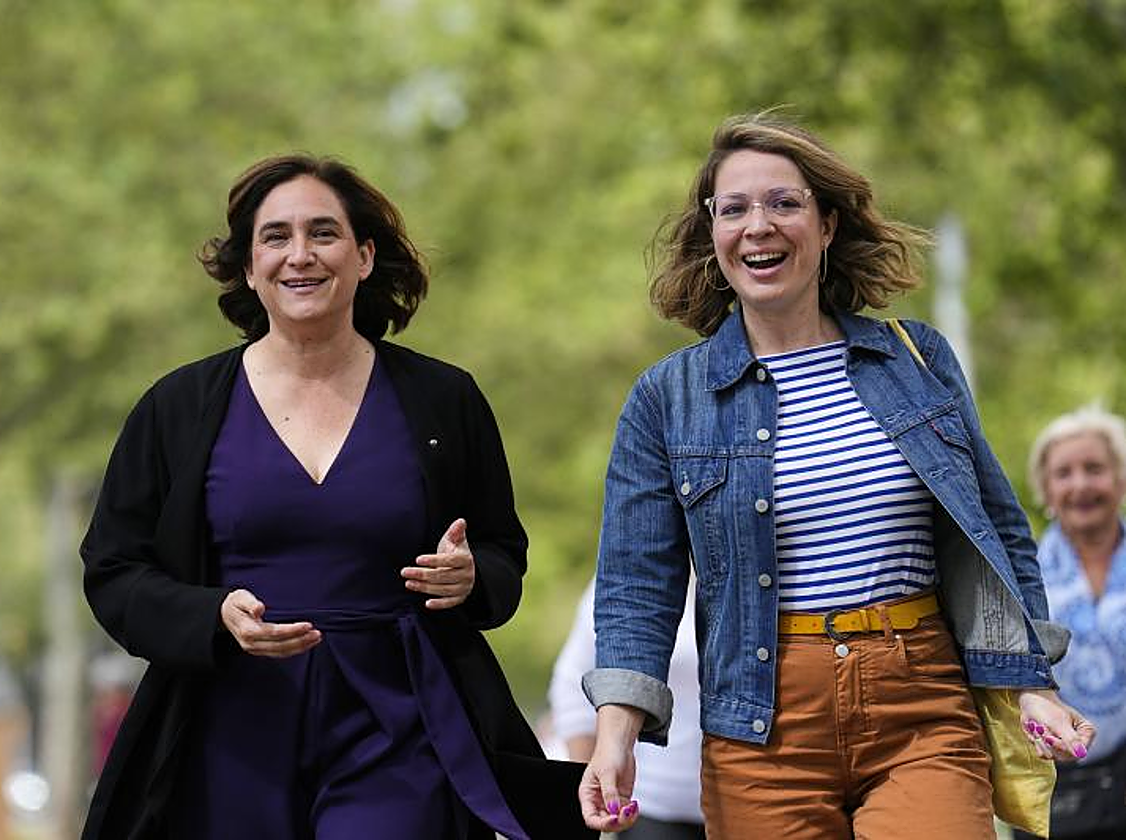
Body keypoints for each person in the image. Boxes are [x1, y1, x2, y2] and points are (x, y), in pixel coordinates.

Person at [576, 112, 1096, 839]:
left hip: (920, 698)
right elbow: (637, 582)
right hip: (761, 723)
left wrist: (1030, 680)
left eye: (784, 203)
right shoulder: (668, 399)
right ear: (714, 236)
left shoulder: (915, 360)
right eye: (735, 209)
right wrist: (615, 737)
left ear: (826, 226)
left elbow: (997, 525)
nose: (759, 225)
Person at [80, 154, 593, 840]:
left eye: (324, 233)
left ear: (364, 257)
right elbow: (115, 569)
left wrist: (471, 577)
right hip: (228, 730)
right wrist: (210, 614)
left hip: (398, 725)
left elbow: (503, 553)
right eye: (275, 237)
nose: (301, 255)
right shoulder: (177, 407)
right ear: (248, 267)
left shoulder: (445, 400)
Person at [1017, 405, 1126, 839]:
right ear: (1045, 488)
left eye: (1094, 468)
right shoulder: (1022, 577)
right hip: (1056, 788)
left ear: (1119, 478)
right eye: (1064, 473)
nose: (1080, 484)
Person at [549, 578, 704, 839]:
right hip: (655, 809)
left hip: (752, 799)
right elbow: (573, 684)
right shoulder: (632, 580)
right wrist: (591, 787)